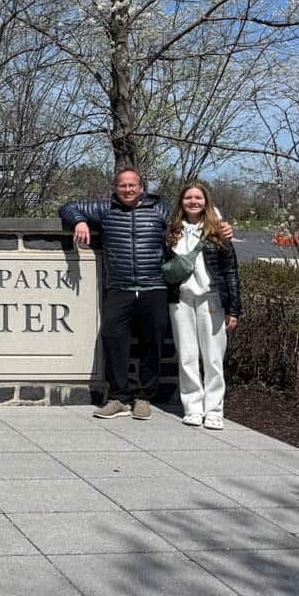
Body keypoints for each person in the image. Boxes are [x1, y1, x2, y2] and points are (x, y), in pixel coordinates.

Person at [59, 168, 232, 420]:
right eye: (122, 186)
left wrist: (222, 227)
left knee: (152, 342)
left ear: (141, 187)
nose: (127, 190)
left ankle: (143, 397)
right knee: (112, 338)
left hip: (155, 287)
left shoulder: (159, 209)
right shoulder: (105, 209)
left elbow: (190, 222)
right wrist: (80, 221)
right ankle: (119, 398)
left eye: (132, 185)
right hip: (119, 287)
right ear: (116, 188)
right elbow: (67, 207)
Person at [164, 182, 241, 430]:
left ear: (206, 202)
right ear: (181, 202)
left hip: (212, 298)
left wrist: (234, 309)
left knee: (213, 357)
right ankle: (193, 407)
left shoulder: (218, 231)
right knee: (187, 356)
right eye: (189, 197)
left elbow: (231, 271)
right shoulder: (171, 230)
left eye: (198, 197)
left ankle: (214, 410)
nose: (193, 201)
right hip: (181, 300)